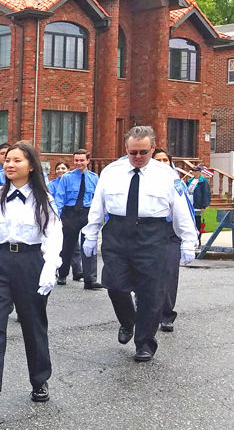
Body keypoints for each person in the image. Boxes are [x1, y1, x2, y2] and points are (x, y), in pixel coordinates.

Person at [82, 126, 198, 363]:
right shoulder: (111, 172)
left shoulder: (167, 175)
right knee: (114, 285)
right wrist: (91, 234)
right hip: (118, 231)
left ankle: (144, 342)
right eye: (132, 152)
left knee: (151, 293)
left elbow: (180, 209)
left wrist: (188, 241)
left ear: (152, 148)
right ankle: (128, 320)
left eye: (143, 152)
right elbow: (98, 205)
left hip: (153, 234)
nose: (137, 157)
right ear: (126, 149)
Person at [0, 142, 62, 409]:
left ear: (31, 166)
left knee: (33, 323)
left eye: (17, 160)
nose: (9, 164)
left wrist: (50, 268)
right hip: (0, 260)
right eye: (7, 160)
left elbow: (53, 236)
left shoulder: (44, 199)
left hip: (30, 262)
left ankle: (39, 380)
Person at [153, 149, 194, 332]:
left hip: (171, 234)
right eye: (158, 160)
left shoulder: (178, 183)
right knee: (146, 273)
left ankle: (167, 315)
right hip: (151, 232)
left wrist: (190, 238)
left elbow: (187, 210)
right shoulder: (145, 182)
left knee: (169, 273)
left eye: (165, 160)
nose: (162, 163)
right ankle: (145, 308)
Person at [52, 149, 104, 290]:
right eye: (76, 160)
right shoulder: (67, 178)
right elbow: (60, 198)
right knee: (67, 246)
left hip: (87, 213)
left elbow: (98, 199)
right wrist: (57, 216)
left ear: (88, 160)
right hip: (70, 213)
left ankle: (90, 279)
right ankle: (62, 274)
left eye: (82, 160)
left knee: (90, 245)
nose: (79, 163)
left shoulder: (94, 178)